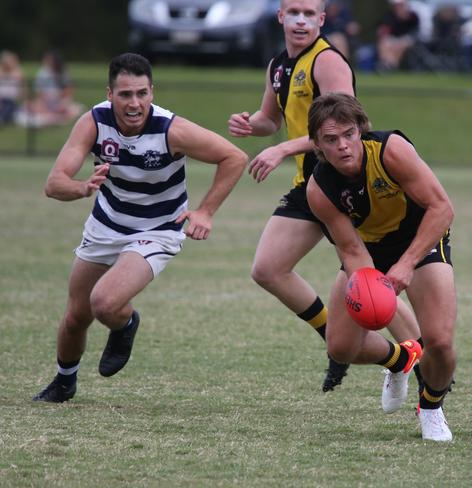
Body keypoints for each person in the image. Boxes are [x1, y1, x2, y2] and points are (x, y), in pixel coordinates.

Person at [32, 53, 248, 403]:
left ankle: (125, 323)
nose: (135, 103)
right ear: (109, 94)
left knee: (104, 303)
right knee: (76, 315)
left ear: (152, 92)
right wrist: (83, 188)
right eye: (125, 94)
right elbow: (54, 183)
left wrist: (206, 211)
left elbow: (234, 157)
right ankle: (64, 382)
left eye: (142, 93)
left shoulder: (170, 129)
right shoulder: (93, 122)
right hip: (107, 223)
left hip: (159, 227)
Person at [229, 0, 420, 394]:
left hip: (341, 181)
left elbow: (345, 120)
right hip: (309, 183)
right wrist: (252, 125)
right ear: (280, 16)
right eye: (293, 12)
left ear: (321, 19)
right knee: (267, 268)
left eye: (309, 13)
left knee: (366, 281)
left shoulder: (327, 61)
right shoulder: (278, 65)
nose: (301, 20)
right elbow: (271, 119)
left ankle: (424, 360)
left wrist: (283, 149)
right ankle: (360, 348)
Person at [306, 92, 457, 441]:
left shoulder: (391, 151)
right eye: (331, 139)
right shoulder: (320, 188)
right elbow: (350, 247)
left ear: (361, 130)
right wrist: (373, 288)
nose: (343, 145)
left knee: (441, 342)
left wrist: (406, 265)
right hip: (369, 251)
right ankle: (401, 360)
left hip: (420, 240)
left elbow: (442, 208)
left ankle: (431, 407)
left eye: (348, 134)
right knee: (340, 347)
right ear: (317, 144)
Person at [20, 49, 83, 127]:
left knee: (67, 108)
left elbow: (69, 90)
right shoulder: (42, 73)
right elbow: (39, 93)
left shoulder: (62, 73)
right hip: (46, 102)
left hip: (59, 101)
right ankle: (53, 116)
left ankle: (55, 116)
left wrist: (57, 95)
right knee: (28, 105)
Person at [376, 0, 420, 71]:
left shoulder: (413, 16)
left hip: (408, 39)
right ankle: (388, 64)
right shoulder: (390, 15)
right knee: (384, 43)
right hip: (394, 38)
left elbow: (415, 32)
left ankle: (391, 65)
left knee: (401, 44)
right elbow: (385, 29)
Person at [0, 50, 24, 124]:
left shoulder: (17, 73)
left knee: (8, 107)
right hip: (2, 99)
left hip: (11, 100)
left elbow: (21, 91)